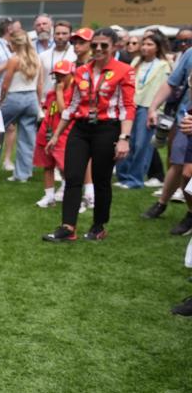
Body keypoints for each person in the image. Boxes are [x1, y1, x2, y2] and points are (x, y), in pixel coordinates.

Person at [43, 28, 135, 242]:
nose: (98, 49)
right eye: (95, 45)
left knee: (101, 179)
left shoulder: (124, 70)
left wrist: (124, 138)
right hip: (80, 128)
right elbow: (73, 105)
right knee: (72, 176)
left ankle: (98, 226)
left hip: (107, 128)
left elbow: (128, 107)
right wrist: (56, 135)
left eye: (104, 45)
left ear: (114, 46)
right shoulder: (82, 70)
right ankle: (68, 227)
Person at [142, 38, 192, 234]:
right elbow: (172, 83)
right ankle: (167, 204)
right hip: (186, 122)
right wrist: (153, 107)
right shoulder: (190, 54)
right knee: (181, 168)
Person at [115, 33, 171, 189]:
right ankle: (123, 176)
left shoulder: (163, 65)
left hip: (148, 107)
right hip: (131, 105)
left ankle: (135, 179)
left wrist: (156, 110)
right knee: (127, 140)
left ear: (157, 48)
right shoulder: (136, 61)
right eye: (144, 44)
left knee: (142, 145)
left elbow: (164, 90)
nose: (145, 47)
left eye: (150, 44)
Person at [0, 29, 43, 183]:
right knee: (27, 138)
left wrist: (2, 100)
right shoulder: (37, 59)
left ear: (13, 44)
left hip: (14, 97)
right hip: (32, 98)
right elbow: (40, 85)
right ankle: (23, 174)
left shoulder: (14, 59)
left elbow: (5, 84)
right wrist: (38, 102)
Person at [34, 59, 76, 207]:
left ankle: (69, 190)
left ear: (71, 74)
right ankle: (49, 196)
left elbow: (64, 112)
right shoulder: (52, 93)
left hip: (63, 134)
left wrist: (59, 92)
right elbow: (47, 110)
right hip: (47, 132)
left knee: (65, 166)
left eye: (63, 75)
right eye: (56, 75)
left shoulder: (72, 93)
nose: (59, 78)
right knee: (48, 165)